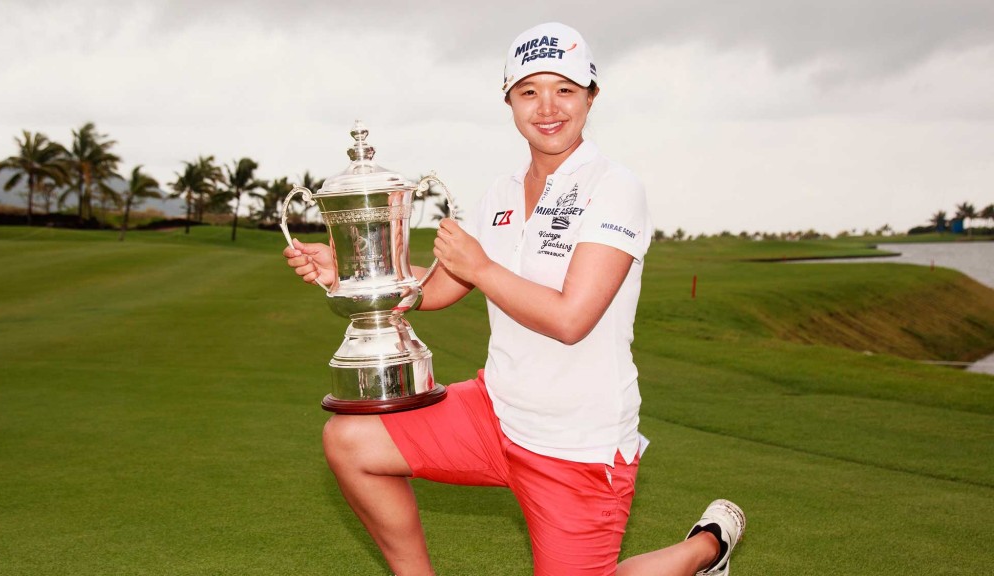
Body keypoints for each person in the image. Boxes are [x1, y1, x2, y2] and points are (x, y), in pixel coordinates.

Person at [284, 22, 746, 576]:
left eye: (565, 89)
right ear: (509, 100)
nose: (547, 106)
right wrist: (354, 270)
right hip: (493, 412)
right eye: (529, 91)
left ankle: (705, 548)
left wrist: (481, 265)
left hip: (577, 442)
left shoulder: (614, 187)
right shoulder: (500, 193)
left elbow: (572, 318)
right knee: (351, 438)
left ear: (591, 96)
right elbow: (441, 287)